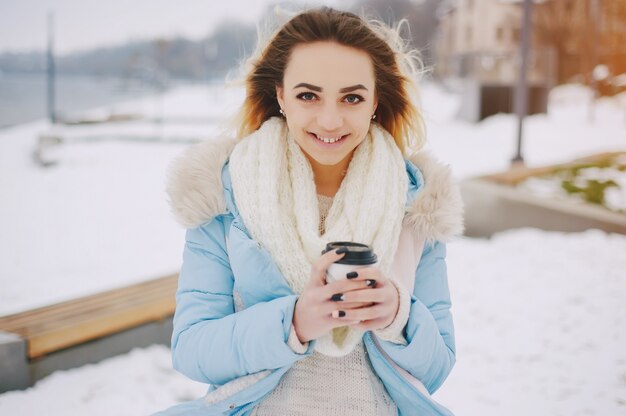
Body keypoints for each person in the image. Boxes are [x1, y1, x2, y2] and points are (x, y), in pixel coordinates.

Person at [157, 7, 463, 416]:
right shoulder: (222, 199)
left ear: (375, 100)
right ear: (281, 95)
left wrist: (398, 314)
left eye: (352, 97)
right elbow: (192, 350)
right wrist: (294, 322)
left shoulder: (416, 205)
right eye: (308, 95)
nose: (330, 119)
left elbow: (438, 364)